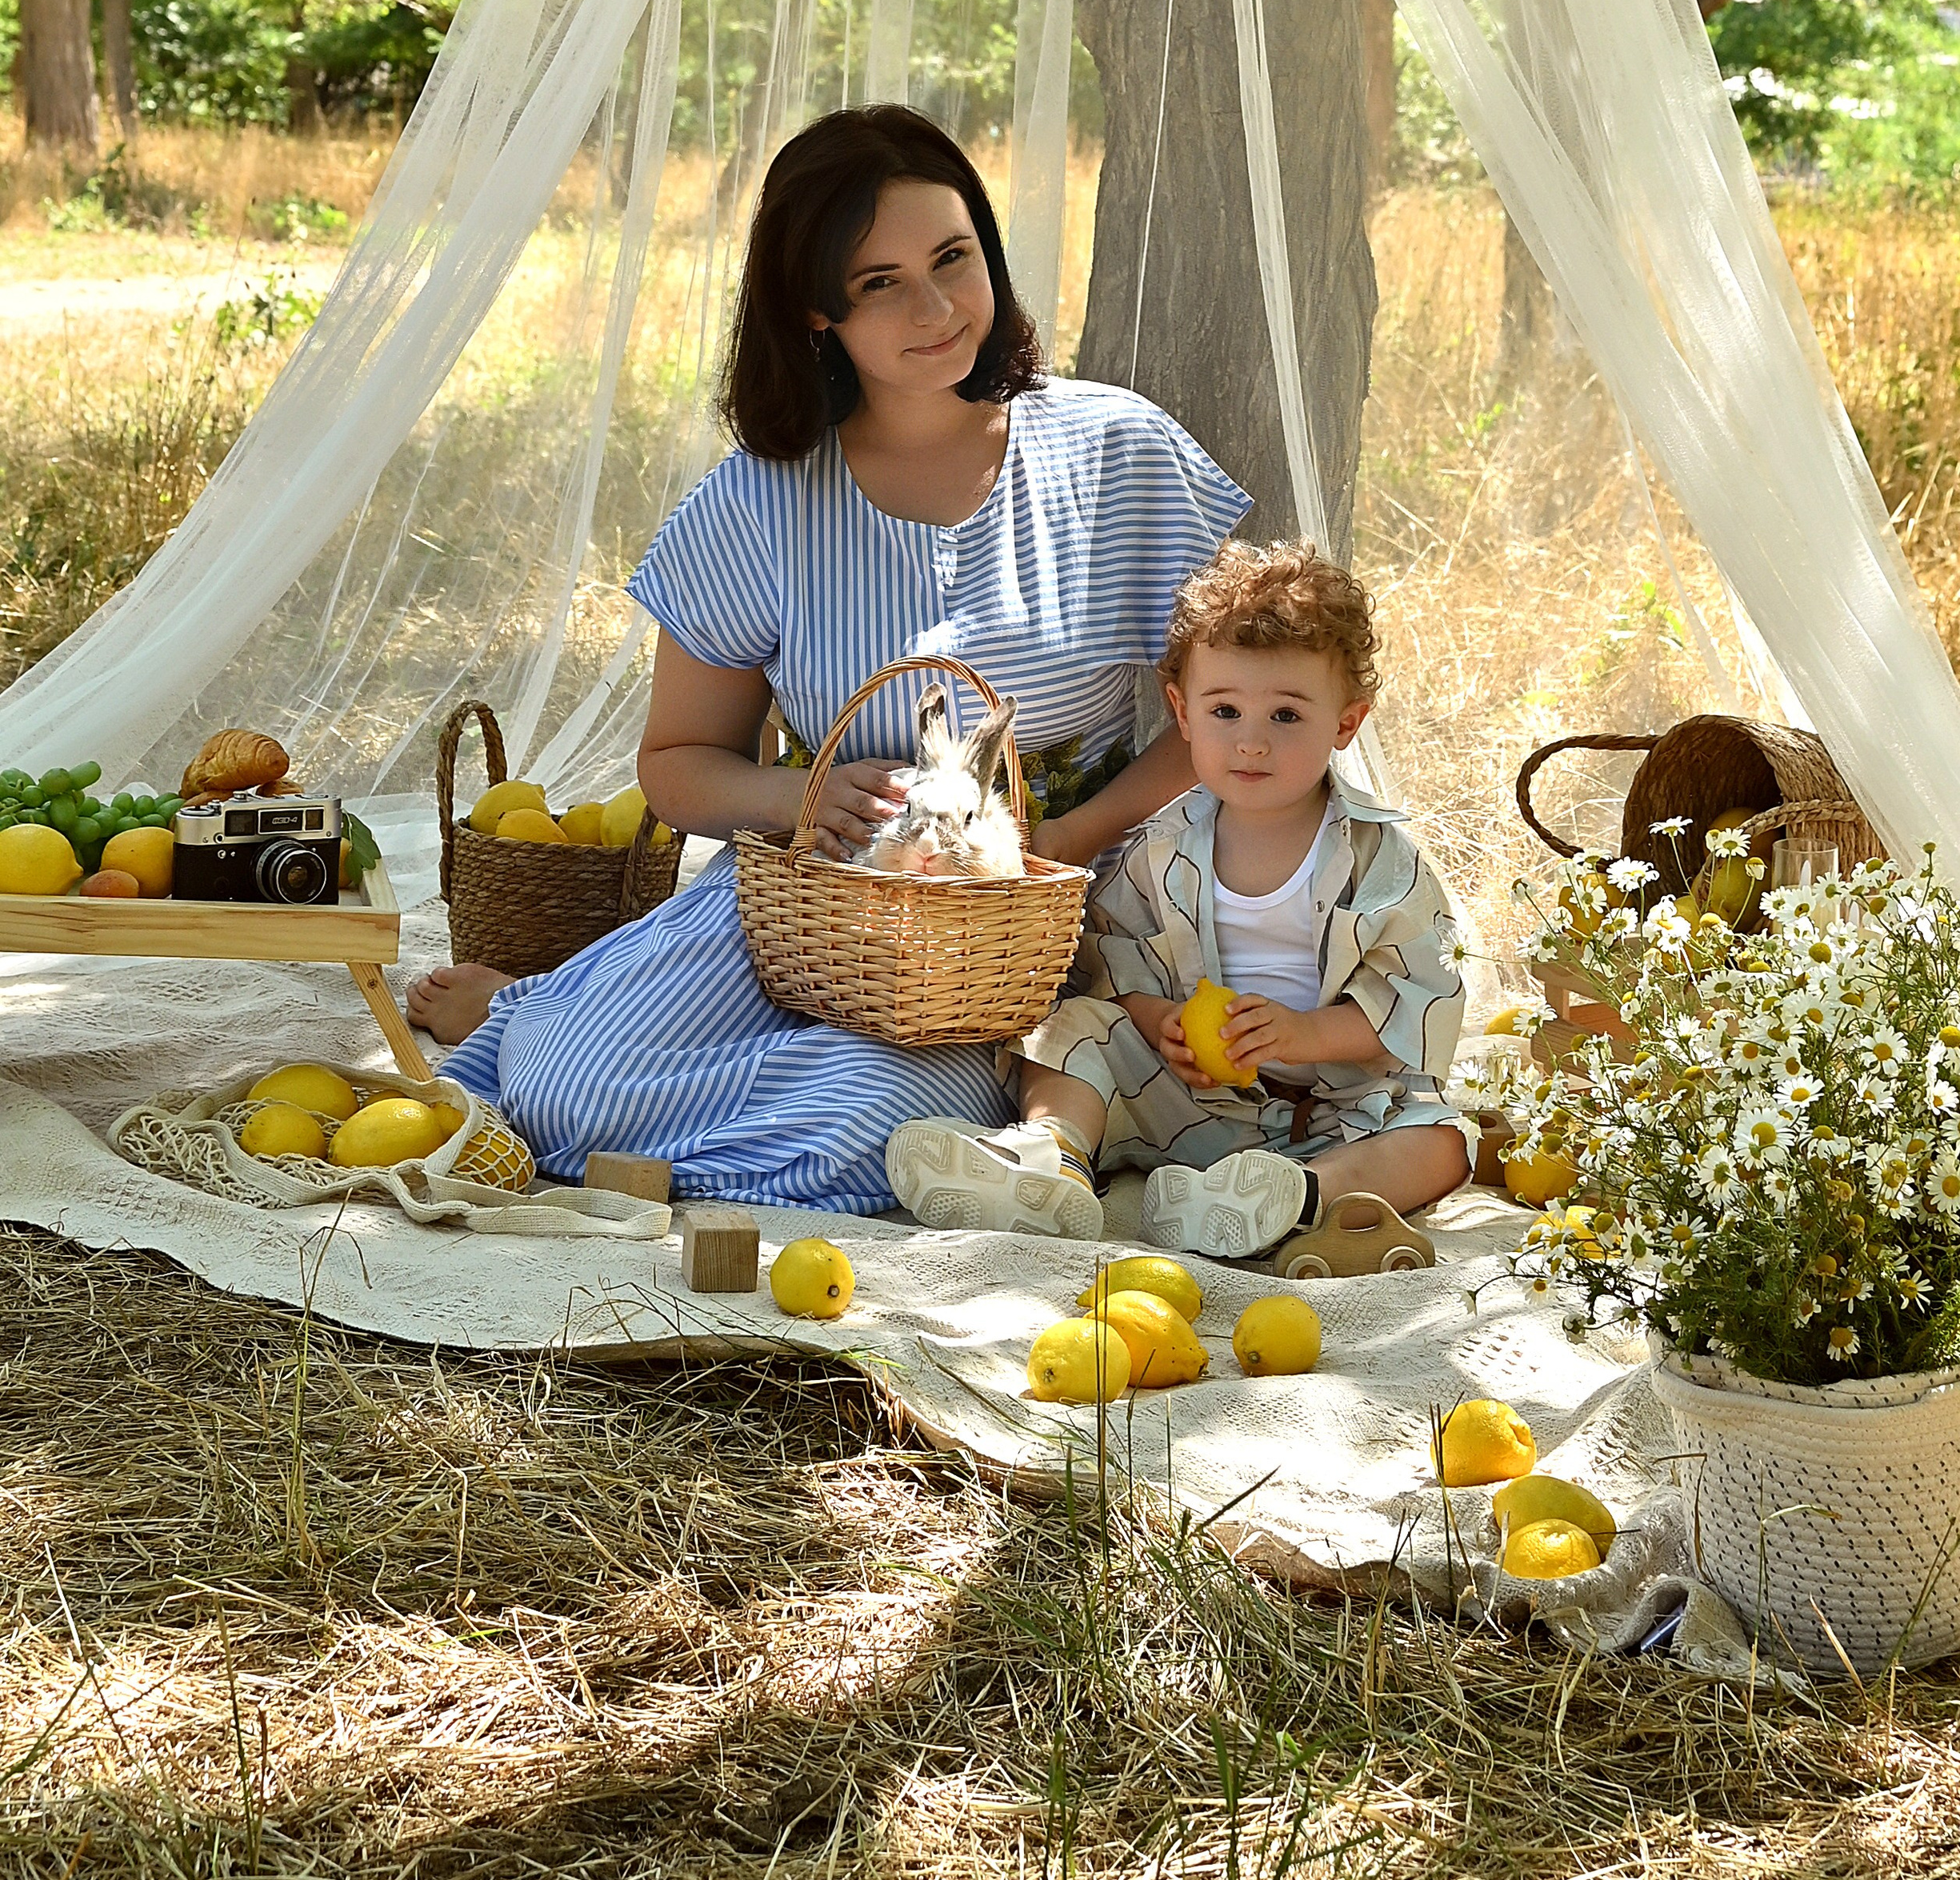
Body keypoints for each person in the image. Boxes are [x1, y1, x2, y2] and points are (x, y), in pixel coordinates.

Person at [407, 104, 1250, 1217]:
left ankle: (620, 1045)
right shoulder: (761, 498)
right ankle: (549, 1022)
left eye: (954, 259)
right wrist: (802, 793)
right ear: (817, 313)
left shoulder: (1116, 451)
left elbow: (1232, 719)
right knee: (570, 1091)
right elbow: (677, 762)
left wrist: (1056, 842)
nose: (938, 307)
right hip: (807, 903)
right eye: (881, 284)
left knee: (870, 1134)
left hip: (1026, 932)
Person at [888, 538, 1469, 1258]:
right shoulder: (1162, 847)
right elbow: (1117, 961)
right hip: (1189, 1098)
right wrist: (1161, 1021)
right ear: (1183, 711)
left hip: (1332, 1110)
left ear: (1346, 723)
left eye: (1286, 717)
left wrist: (1300, 1034)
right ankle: (1051, 1158)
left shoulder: (1379, 863)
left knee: (1442, 1142)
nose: (1251, 742)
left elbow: (1421, 998)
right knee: (1067, 1027)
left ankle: (1294, 1197)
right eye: (1225, 711)